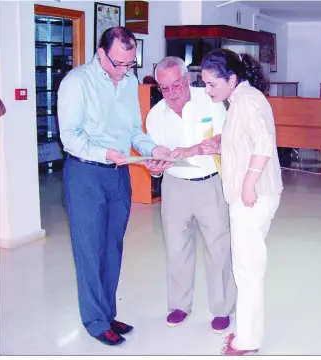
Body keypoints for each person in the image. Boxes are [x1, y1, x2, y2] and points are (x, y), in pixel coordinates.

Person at [57, 26, 172, 347]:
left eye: (130, 64)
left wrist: (154, 149)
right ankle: (95, 321)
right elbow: (70, 136)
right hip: (86, 174)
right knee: (90, 250)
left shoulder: (130, 82)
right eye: (118, 64)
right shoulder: (77, 82)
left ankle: (107, 312)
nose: (124, 71)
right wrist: (103, 153)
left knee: (112, 248)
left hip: (119, 175)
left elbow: (135, 130)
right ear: (101, 53)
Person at [200, 49, 283, 355]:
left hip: (254, 197)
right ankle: (245, 333)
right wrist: (221, 144)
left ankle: (248, 341)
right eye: (205, 84)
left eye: (211, 84)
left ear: (231, 79)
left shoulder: (247, 101)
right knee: (245, 268)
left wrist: (248, 185)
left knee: (247, 270)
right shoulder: (240, 100)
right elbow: (246, 140)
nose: (208, 90)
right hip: (250, 195)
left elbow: (263, 144)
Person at [145, 56, 236, 333]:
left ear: (187, 79)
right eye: (164, 88)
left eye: (176, 85)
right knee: (176, 248)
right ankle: (179, 305)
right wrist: (155, 170)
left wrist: (201, 147)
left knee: (218, 248)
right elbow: (156, 159)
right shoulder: (155, 116)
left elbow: (227, 137)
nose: (171, 93)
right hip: (174, 187)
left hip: (210, 184)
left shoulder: (210, 99)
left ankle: (221, 309)